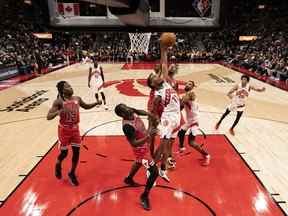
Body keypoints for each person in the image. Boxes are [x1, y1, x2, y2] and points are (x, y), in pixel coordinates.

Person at [47, 81, 102, 186]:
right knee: (64, 153)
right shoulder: (58, 102)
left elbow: (86, 106)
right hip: (64, 130)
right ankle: (58, 163)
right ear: (63, 90)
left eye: (70, 85)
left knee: (77, 152)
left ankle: (72, 173)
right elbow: (48, 116)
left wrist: (96, 103)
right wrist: (57, 112)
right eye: (67, 86)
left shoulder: (77, 98)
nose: (70, 87)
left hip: (75, 129)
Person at [114, 103, 159, 211]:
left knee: (138, 162)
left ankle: (128, 179)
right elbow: (134, 143)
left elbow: (138, 111)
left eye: (127, 107)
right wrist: (148, 136)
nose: (129, 110)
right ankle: (144, 196)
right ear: (121, 115)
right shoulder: (127, 126)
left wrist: (150, 114)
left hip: (144, 143)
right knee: (154, 172)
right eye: (125, 111)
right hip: (141, 150)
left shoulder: (130, 110)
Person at [147, 45, 181, 182]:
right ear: (153, 84)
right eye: (154, 77)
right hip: (168, 118)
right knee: (162, 145)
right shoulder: (158, 94)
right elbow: (154, 112)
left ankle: (162, 169)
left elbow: (164, 63)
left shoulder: (166, 83)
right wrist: (153, 125)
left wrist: (163, 49)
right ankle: (151, 170)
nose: (157, 76)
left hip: (176, 117)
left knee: (167, 147)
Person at [178, 80, 210, 166]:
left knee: (191, 142)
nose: (187, 85)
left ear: (192, 87)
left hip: (194, 120)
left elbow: (182, 102)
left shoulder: (191, 94)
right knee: (181, 132)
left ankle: (206, 155)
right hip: (190, 120)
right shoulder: (186, 95)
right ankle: (181, 147)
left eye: (190, 84)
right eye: (187, 83)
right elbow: (181, 107)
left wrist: (174, 95)